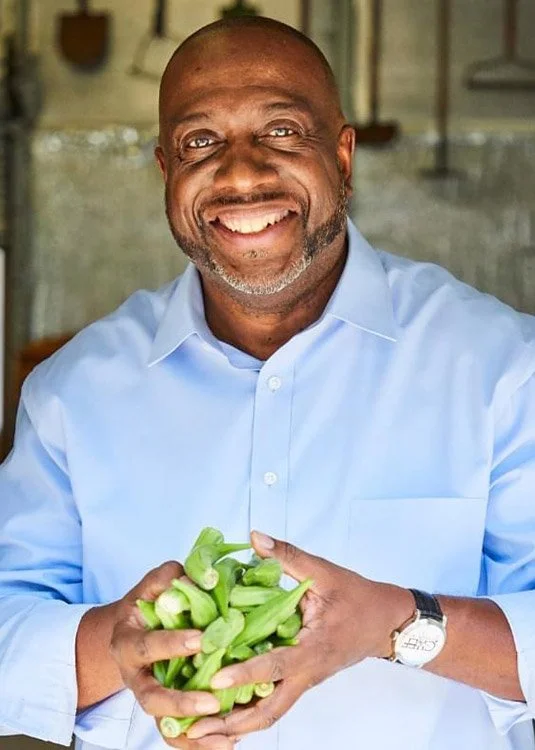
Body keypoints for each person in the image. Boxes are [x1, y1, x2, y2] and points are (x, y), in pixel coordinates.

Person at [0, 14, 534, 750]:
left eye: (281, 132)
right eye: (200, 141)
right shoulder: (73, 392)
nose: (242, 172)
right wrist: (109, 645)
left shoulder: (501, 368)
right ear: (165, 170)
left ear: (342, 157)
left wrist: (397, 622)